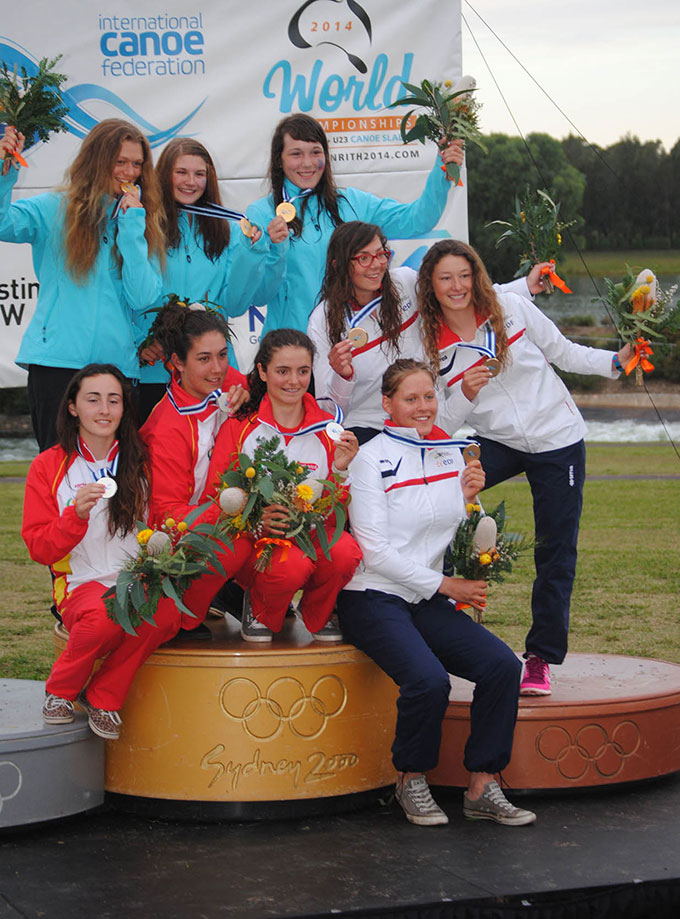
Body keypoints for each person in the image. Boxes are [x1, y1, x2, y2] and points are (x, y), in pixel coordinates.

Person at [417, 240, 635, 696]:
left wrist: (615, 362)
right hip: (495, 440)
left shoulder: (510, 307)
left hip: (556, 438)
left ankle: (539, 658)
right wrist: (466, 394)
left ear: (476, 275)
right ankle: (437, 619)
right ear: (431, 287)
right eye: (445, 278)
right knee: (435, 498)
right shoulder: (429, 343)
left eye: (463, 275)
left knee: (556, 549)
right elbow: (440, 423)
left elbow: (564, 351)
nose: (457, 286)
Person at [337, 359, 535, 827]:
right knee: (429, 681)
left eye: (429, 397)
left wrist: (469, 500)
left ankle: (483, 784)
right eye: (411, 398)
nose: (423, 407)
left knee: (503, 668)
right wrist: (447, 585)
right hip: (372, 594)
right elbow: (377, 552)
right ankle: (410, 778)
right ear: (388, 404)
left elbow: (456, 529)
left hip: (424, 595)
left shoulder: (451, 453)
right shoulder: (370, 458)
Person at [21, 364, 181, 740]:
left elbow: (163, 519)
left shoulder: (142, 460)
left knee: (170, 613)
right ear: (73, 407)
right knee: (104, 615)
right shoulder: (48, 466)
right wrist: (74, 517)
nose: (104, 410)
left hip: (136, 578)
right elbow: (39, 548)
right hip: (80, 583)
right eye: (93, 399)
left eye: (114, 400)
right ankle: (59, 691)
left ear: (125, 409)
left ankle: (103, 693)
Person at [0, 121, 165, 450]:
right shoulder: (53, 209)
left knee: (116, 481)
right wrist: (5, 168)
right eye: (120, 162)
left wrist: (132, 228)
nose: (129, 172)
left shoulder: (140, 220)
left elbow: (144, 297)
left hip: (117, 369)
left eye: (137, 164)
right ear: (96, 160)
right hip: (57, 366)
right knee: (59, 475)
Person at [307, 221, 544, 443]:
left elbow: (461, 297)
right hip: (367, 428)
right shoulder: (323, 320)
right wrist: (343, 376)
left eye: (381, 254)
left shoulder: (405, 283)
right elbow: (328, 412)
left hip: (420, 420)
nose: (377, 264)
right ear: (339, 264)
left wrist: (526, 287)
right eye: (364, 258)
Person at [201, 328, 362, 643]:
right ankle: (259, 607)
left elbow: (337, 512)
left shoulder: (328, 431)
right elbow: (216, 496)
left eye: (303, 371)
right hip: (257, 546)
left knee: (345, 551)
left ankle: (317, 612)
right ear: (262, 371)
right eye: (282, 371)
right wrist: (253, 521)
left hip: (311, 537)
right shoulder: (240, 427)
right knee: (291, 564)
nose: (294, 381)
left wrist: (341, 471)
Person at [246, 113, 464, 336]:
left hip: (348, 347)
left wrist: (442, 169)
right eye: (296, 154)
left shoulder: (352, 203)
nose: (308, 163)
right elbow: (258, 295)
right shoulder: (262, 214)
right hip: (290, 349)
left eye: (315, 152)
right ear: (279, 160)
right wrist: (274, 249)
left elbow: (418, 219)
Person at [136, 138, 281, 423]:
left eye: (200, 174)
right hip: (155, 369)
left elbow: (235, 304)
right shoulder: (143, 223)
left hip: (212, 373)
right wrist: (140, 342)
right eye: (181, 172)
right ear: (164, 174)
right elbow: (132, 293)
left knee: (218, 462)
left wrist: (252, 253)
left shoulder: (226, 228)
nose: (191, 182)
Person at [139, 303, 252, 637]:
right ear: (176, 362)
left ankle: (244, 596)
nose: (217, 369)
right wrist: (233, 512)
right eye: (204, 359)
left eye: (222, 355)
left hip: (221, 513)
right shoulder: (166, 428)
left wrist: (252, 397)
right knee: (237, 544)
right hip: (177, 535)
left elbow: (257, 389)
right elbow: (166, 515)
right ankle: (181, 615)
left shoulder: (220, 381)